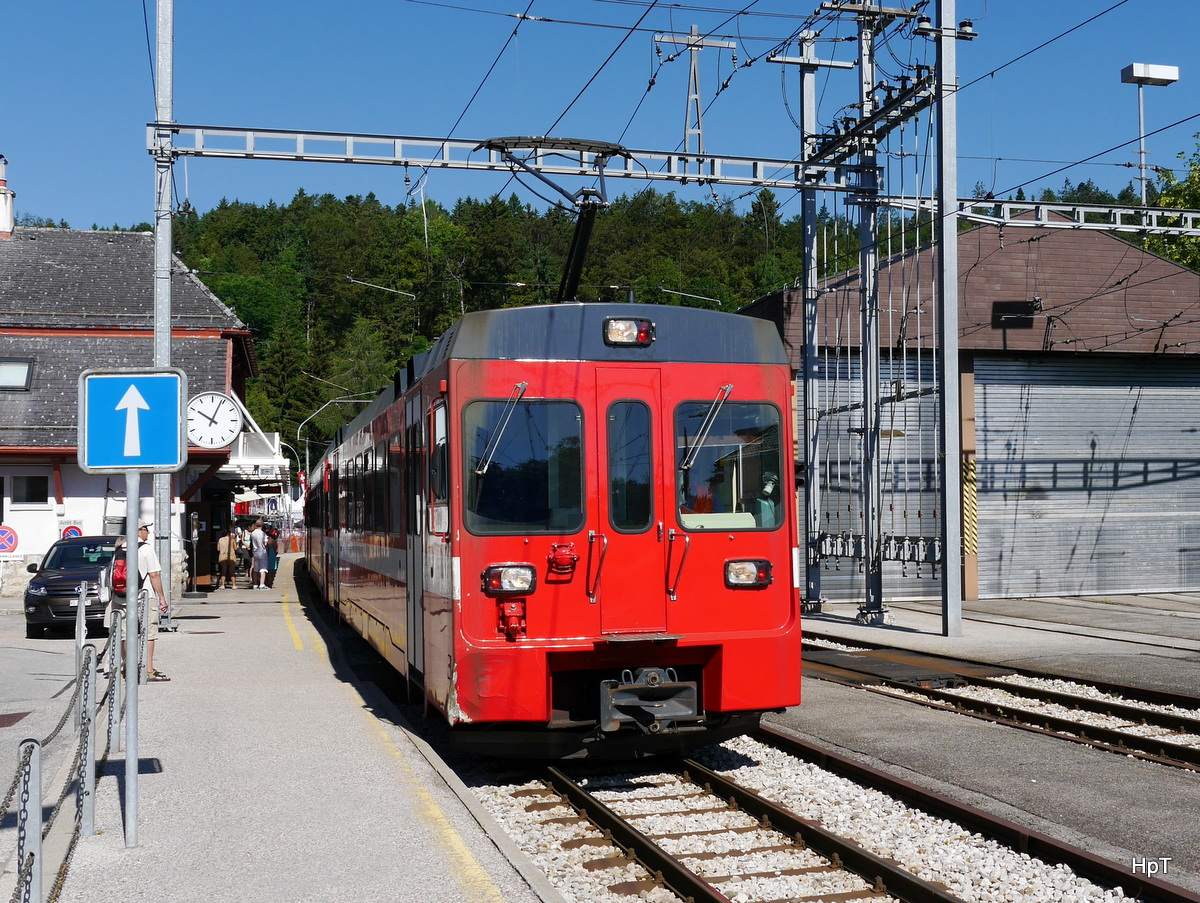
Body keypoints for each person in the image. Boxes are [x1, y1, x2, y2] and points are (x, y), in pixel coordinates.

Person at [249, 519, 268, 589]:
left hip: (255, 551)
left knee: (256, 568)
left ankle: (255, 584)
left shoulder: (253, 533)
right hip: (262, 551)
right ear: (262, 525)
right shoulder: (263, 534)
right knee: (263, 568)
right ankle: (262, 584)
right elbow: (265, 543)